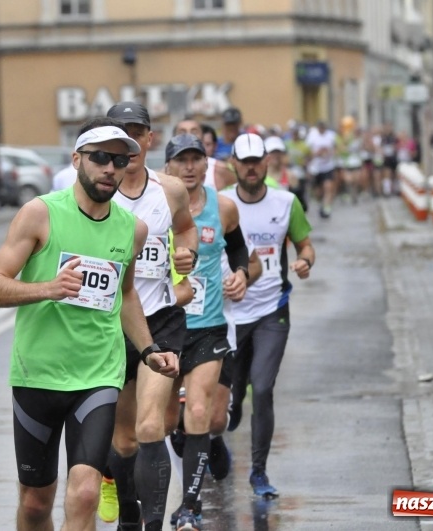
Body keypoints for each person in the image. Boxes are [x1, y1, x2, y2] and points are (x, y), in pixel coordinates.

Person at [0, 117, 180, 531]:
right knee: (35, 504)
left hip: (97, 375)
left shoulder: (133, 229)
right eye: (100, 158)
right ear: (77, 160)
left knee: (86, 492)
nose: (110, 168)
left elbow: (125, 295)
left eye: (121, 160)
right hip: (38, 374)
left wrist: (148, 350)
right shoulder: (40, 214)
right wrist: (47, 288)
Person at [105, 101, 199, 531]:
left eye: (137, 132)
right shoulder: (90, 195)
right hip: (108, 326)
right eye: (120, 132)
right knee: (122, 441)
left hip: (160, 319)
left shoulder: (170, 190)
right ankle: (128, 514)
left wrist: (188, 252)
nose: (130, 141)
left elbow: (185, 227)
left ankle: (153, 525)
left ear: (148, 139)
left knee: (149, 427)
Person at [161, 134, 250, 530]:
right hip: (163, 327)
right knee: (163, 423)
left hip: (209, 327)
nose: (190, 167)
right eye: (182, 161)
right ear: (168, 168)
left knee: (202, 412)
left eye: (197, 159)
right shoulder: (153, 209)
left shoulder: (224, 208)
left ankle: (190, 507)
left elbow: (239, 251)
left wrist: (242, 275)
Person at [221, 133, 315, 498]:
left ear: (266, 163)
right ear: (233, 164)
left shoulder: (286, 202)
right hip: (228, 313)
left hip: (271, 310)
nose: (250, 168)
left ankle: (258, 472)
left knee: (262, 388)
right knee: (231, 399)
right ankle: (221, 434)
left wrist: (305, 260)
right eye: (243, 162)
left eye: (256, 161)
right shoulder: (222, 202)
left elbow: (305, 243)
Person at [173, 119, 237, 191]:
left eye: (194, 132)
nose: (189, 135)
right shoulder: (163, 175)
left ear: (202, 137)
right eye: (182, 132)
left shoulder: (221, 170)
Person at [305, 121, 337, 218]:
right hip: (316, 167)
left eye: (323, 127)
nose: (322, 129)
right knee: (318, 191)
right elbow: (307, 152)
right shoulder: (312, 136)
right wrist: (316, 154)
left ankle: (327, 207)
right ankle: (321, 204)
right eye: (320, 127)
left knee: (328, 187)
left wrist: (331, 153)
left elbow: (336, 148)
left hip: (328, 166)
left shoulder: (331, 136)